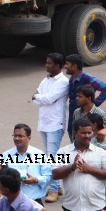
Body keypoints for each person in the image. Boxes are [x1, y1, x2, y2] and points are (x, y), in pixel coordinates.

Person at [54, 118, 106, 211]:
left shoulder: (100, 153)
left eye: (89, 133)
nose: (87, 136)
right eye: (83, 133)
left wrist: (89, 169)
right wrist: (71, 167)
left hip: (96, 209)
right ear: (74, 133)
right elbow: (55, 174)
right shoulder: (63, 152)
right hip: (72, 209)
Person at [30, 52, 70, 202]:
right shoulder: (45, 81)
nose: (46, 65)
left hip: (55, 123)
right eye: (46, 62)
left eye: (49, 63)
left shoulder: (63, 82)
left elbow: (48, 98)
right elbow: (38, 99)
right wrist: (40, 98)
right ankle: (57, 185)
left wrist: (39, 97)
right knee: (48, 157)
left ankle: (52, 190)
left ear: (58, 66)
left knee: (52, 158)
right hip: (44, 123)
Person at [64, 54, 106, 133]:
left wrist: (95, 103)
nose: (65, 66)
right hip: (73, 116)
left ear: (74, 66)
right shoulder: (71, 79)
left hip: (86, 117)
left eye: (67, 64)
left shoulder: (88, 78)